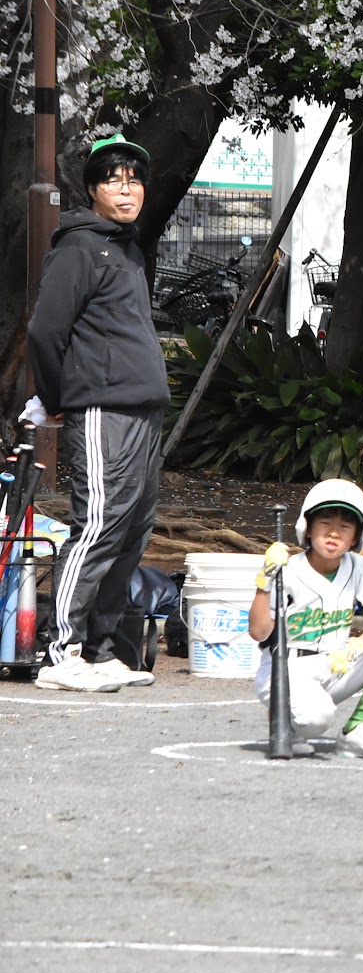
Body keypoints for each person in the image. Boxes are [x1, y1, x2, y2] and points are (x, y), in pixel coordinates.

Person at [29, 134, 168, 693]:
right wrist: (55, 401)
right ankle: (58, 652)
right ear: (92, 190)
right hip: (101, 409)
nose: (126, 189)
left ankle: (99, 649)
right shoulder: (78, 248)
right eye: (113, 180)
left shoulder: (130, 249)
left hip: (144, 411)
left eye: (134, 180)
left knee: (132, 532)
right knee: (97, 528)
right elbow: (45, 331)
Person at [247, 480, 363, 759]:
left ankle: (357, 731)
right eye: (325, 523)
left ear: (356, 537)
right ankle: (290, 725)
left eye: (345, 527)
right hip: (287, 670)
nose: (334, 533)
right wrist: (264, 582)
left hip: (335, 663)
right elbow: (259, 632)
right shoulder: (286, 570)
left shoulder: (359, 566)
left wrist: (355, 648)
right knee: (316, 720)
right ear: (308, 528)